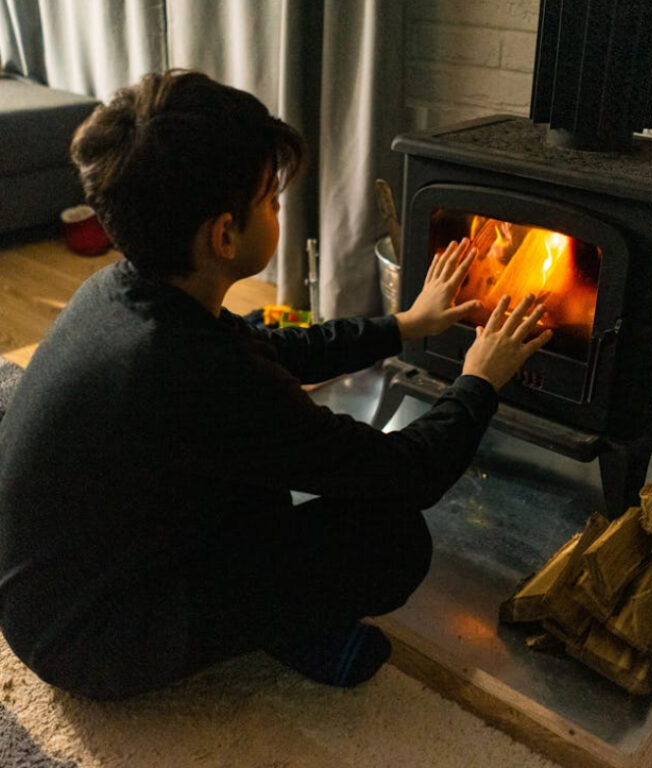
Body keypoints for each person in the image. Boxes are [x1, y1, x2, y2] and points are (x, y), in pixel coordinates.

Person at [0, 70, 552, 701]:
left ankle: (267, 611)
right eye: (271, 200)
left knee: (258, 470)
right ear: (225, 235)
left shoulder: (129, 288)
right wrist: (479, 380)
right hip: (90, 640)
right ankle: (284, 627)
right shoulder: (195, 374)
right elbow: (408, 472)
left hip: (61, 579)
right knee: (391, 541)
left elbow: (274, 347)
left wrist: (404, 324)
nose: (279, 209)